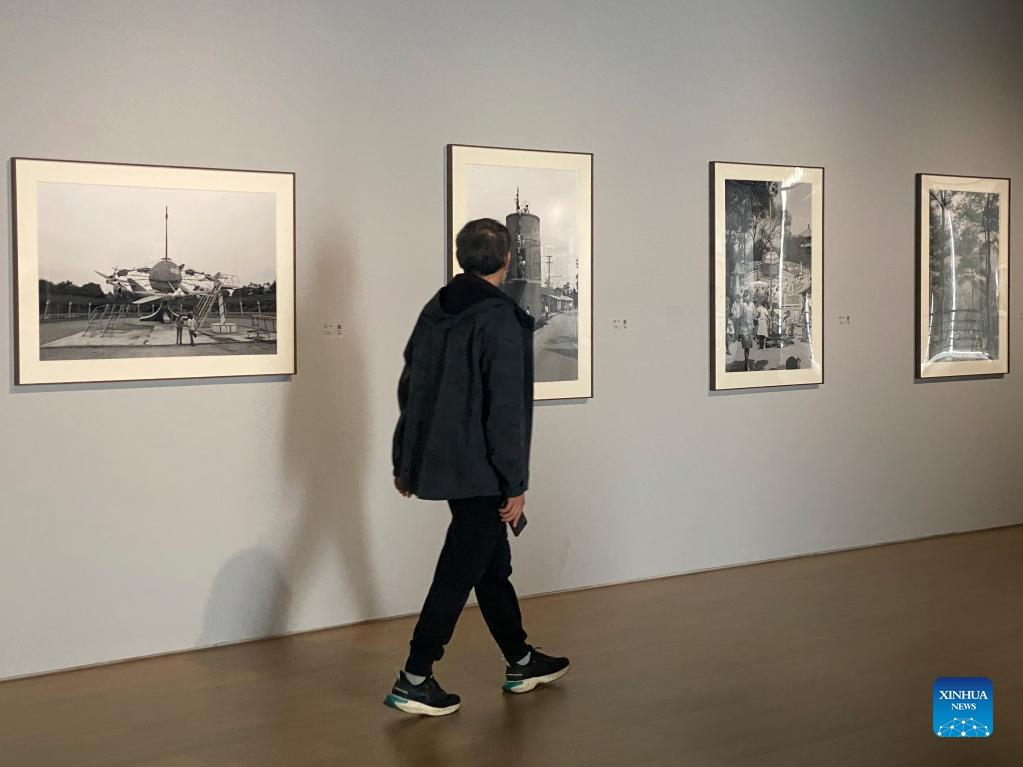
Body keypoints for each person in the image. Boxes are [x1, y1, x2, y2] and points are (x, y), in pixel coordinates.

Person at [386, 218, 570, 717]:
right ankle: (415, 676)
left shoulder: (436, 308)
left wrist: (405, 459)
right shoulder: (500, 318)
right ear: (508, 260)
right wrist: (515, 482)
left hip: (444, 461)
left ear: (460, 256)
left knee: (490, 565)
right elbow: (504, 412)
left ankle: (521, 659)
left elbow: (411, 387)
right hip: (482, 469)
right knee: (459, 569)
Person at [734, 289, 755, 371]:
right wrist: (745, 325)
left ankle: (746, 362)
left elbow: (753, 316)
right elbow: (740, 317)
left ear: (750, 296)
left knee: (748, 347)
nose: (747, 297)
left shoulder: (752, 305)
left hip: (750, 328)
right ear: (744, 297)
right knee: (746, 346)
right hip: (744, 328)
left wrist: (753, 324)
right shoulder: (742, 305)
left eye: (748, 295)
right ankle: (747, 363)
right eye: (745, 296)